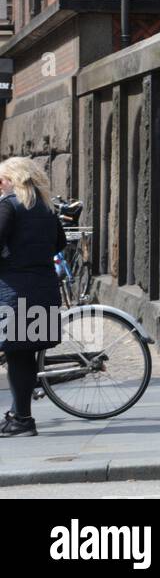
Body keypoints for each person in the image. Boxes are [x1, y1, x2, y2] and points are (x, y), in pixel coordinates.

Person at [0, 157, 67, 437]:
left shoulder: (9, 205)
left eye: (1, 179)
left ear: (12, 179)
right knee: (22, 354)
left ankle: (22, 420)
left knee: (17, 354)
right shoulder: (46, 207)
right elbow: (60, 243)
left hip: (15, 289)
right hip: (42, 286)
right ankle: (19, 416)